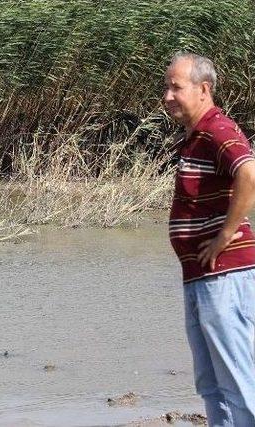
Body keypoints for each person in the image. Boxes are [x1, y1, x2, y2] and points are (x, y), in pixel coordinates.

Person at [164, 52, 255, 425]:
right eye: (166, 87)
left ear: (204, 89)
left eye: (176, 87)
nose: (167, 96)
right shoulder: (196, 137)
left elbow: (248, 175)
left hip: (224, 276)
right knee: (211, 384)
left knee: (237, 381)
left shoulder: (217, 129)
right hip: (202, 277)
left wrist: (225, 235)